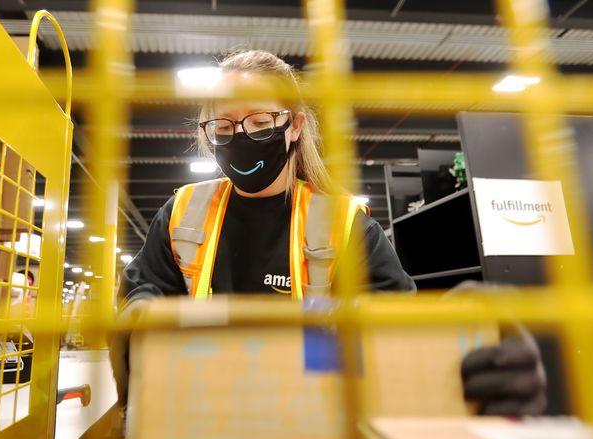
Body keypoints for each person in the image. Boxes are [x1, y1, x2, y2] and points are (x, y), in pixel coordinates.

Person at [110, 50, 546, 416]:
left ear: (294, 126)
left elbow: (395, 333)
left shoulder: (343, 224)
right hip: (199, 419)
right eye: (223, 127)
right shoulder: (183, 212)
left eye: (260, 121)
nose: (240, 136)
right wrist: (143, 321)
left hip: (310, 427)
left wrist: (465, 343)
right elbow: (141, 299)